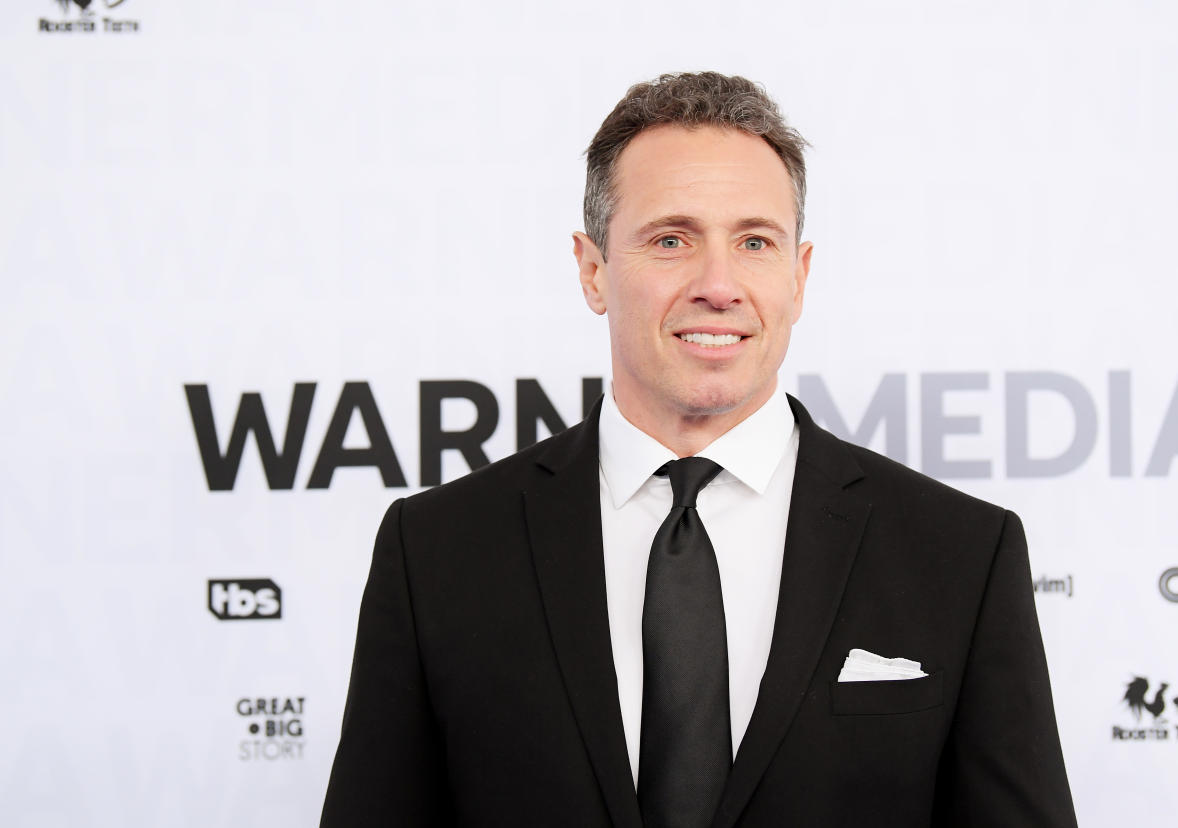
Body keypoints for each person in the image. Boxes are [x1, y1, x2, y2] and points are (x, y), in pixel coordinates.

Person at [320, 71, 1078, 827]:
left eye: (754, 241)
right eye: (671, 239)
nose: (719, 284)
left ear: (798, 276)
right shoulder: (437, 551)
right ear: (593, 271)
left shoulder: (961, 553)